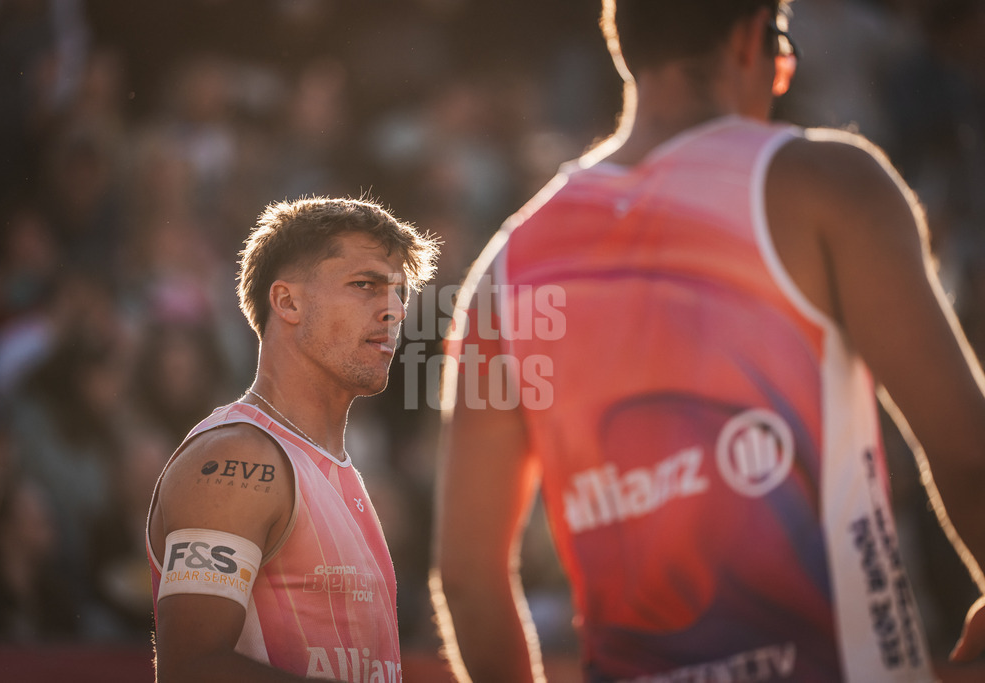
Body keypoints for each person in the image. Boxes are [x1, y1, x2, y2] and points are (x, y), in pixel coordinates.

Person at [431, 1, 985, 681]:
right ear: (751, 40)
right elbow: (968, 452)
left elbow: (468, 579)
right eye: (783, 52)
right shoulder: (826, 185)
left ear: (624, 48)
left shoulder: (502, 273)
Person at [146, 197, 438, 682]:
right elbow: (190, 669)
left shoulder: (331, 465)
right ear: (287, 302)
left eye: (400, 293)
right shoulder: (237, 458)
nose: (394, 310)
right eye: (365, 285)